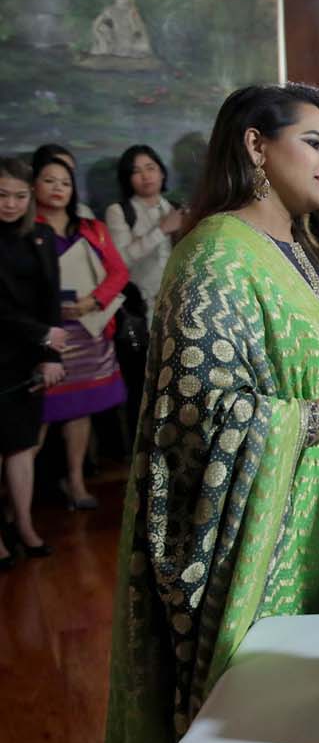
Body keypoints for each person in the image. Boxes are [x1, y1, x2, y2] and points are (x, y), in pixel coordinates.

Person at [99, 83, 319, 743]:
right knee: (266, 732)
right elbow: (199, 418)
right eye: (315, 143)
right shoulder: (216, 255)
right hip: (258, 545)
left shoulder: (297, 245)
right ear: (257, 147)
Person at [33, 157, 128, 511]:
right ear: (34, 186)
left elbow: (118, 272)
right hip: (47, 332)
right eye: (49, 180)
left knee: (80, 410)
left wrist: (93, 300)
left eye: (65, 183)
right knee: (38, 412)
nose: (58, 188)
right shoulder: (26, 227)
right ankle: (19, 499)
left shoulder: (91, 227)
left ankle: (75, 481)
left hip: (89, 327)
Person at [0, 157, 64, 569]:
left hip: (27, 357)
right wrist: (40, 335)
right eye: (2, 195)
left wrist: (50, 355)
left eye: (20, 196)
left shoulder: (40, 235)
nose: (10, 204)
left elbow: (50, 301)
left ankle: (24, 526)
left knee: (23, 448)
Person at [105, 145, 183, 317]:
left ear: (162, 172)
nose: (146, 176)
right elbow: (121, 261)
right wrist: (161, 230)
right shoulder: (119, 211)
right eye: (136, 171)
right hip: (140, 306)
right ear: (128, 179)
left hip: (179, 301)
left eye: (150, 168)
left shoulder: (176, 209)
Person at [31, 144, 95, 218]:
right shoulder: (18, 213)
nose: (58, 187)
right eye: (49, 180)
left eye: (70, 171)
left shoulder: (83, 213)